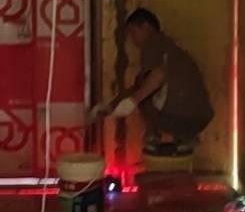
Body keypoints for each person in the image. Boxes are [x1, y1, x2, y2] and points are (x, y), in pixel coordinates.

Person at [90, 8, 214, 155]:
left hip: (181, 117)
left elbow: (157, 76)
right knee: (143, 90)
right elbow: (140, 86)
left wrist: (132, 102)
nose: (133, 40)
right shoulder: (168, 49)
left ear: (146, 27)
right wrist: (111, 105)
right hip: (199, 118)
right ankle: (184, 138)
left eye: (133, 33)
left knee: (144, 96)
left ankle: (154, 137)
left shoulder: (153, 44)